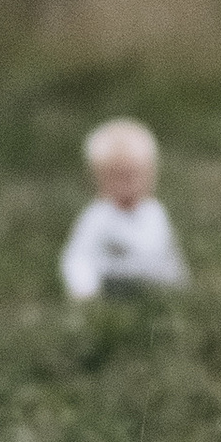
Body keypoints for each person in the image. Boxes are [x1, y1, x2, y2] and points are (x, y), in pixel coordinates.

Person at [60, 116, 191, 302]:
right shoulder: (98, 217)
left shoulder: (155, 212)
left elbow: (168, 254)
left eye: (137, 175)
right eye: (119, 177)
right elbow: (78, 257)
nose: (130, 184)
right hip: (111, 285)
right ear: (99, 180)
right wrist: (84, 289)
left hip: (150, 287)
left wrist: (178, 287)